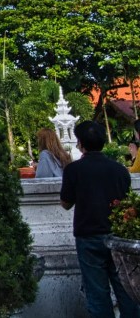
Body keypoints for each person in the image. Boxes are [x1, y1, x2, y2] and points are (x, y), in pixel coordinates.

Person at [60, 120, 140, 318]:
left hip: (88, 235)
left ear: (80, 143)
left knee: (97, 294)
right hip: (117, 236)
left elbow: (66, 203)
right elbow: (126, 200)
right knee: (126, 290)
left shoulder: (74, 170)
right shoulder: (120, 170)